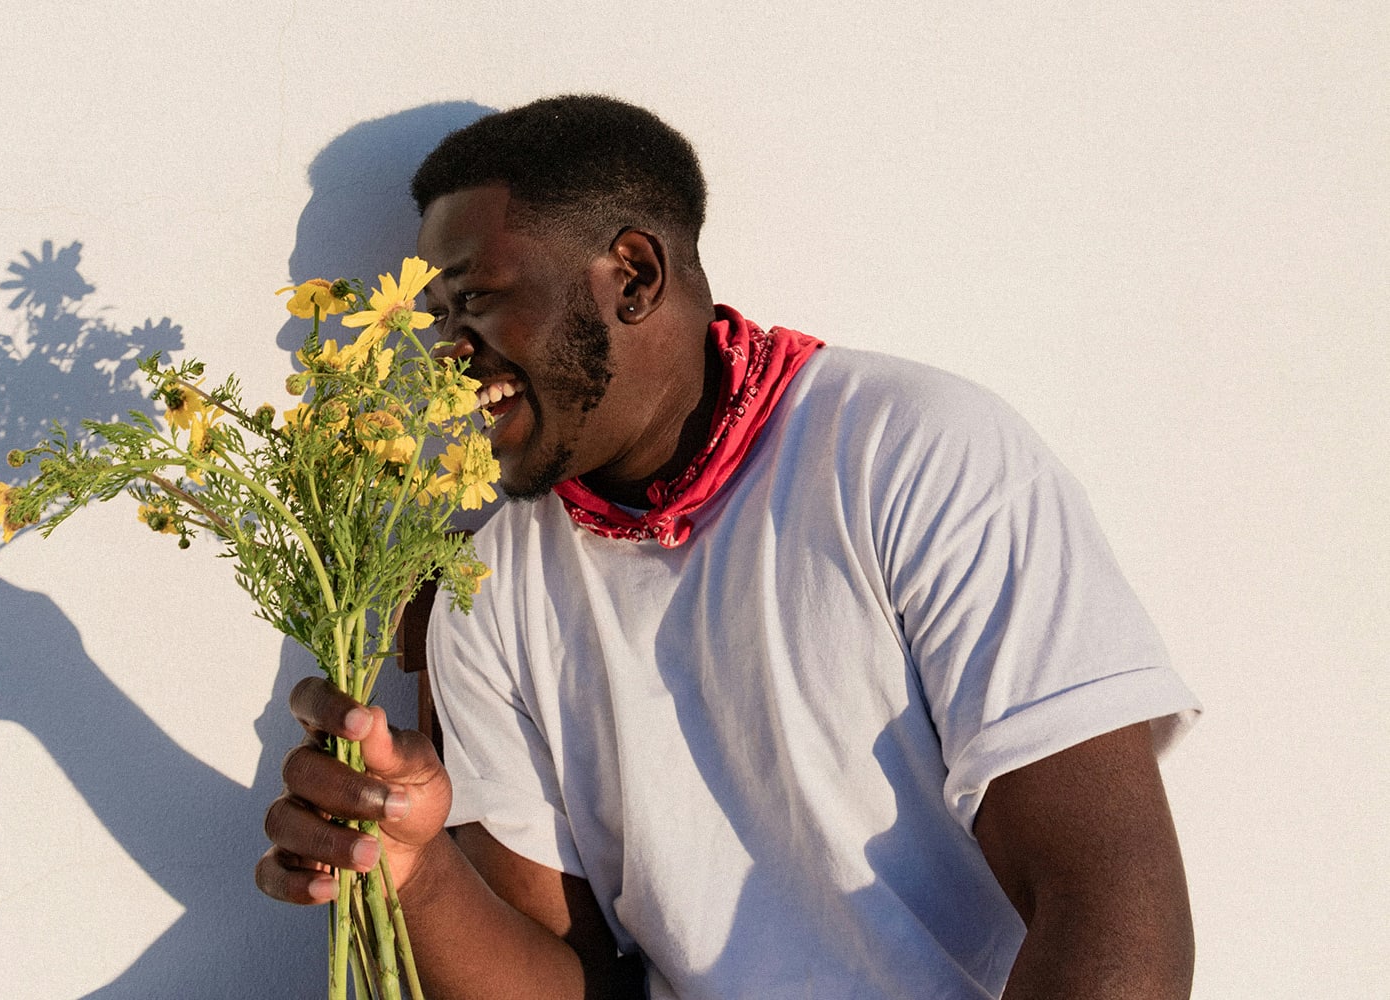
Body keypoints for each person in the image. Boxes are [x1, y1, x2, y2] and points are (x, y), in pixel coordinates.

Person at [257, 95, 1201, 999]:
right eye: (432, 322)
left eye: (476, 301)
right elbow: (574, 980)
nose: (448, 352)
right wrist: (413, 872)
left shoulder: (911, 451)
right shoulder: (489, 585)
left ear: (633, 275)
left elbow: (1113, 913)